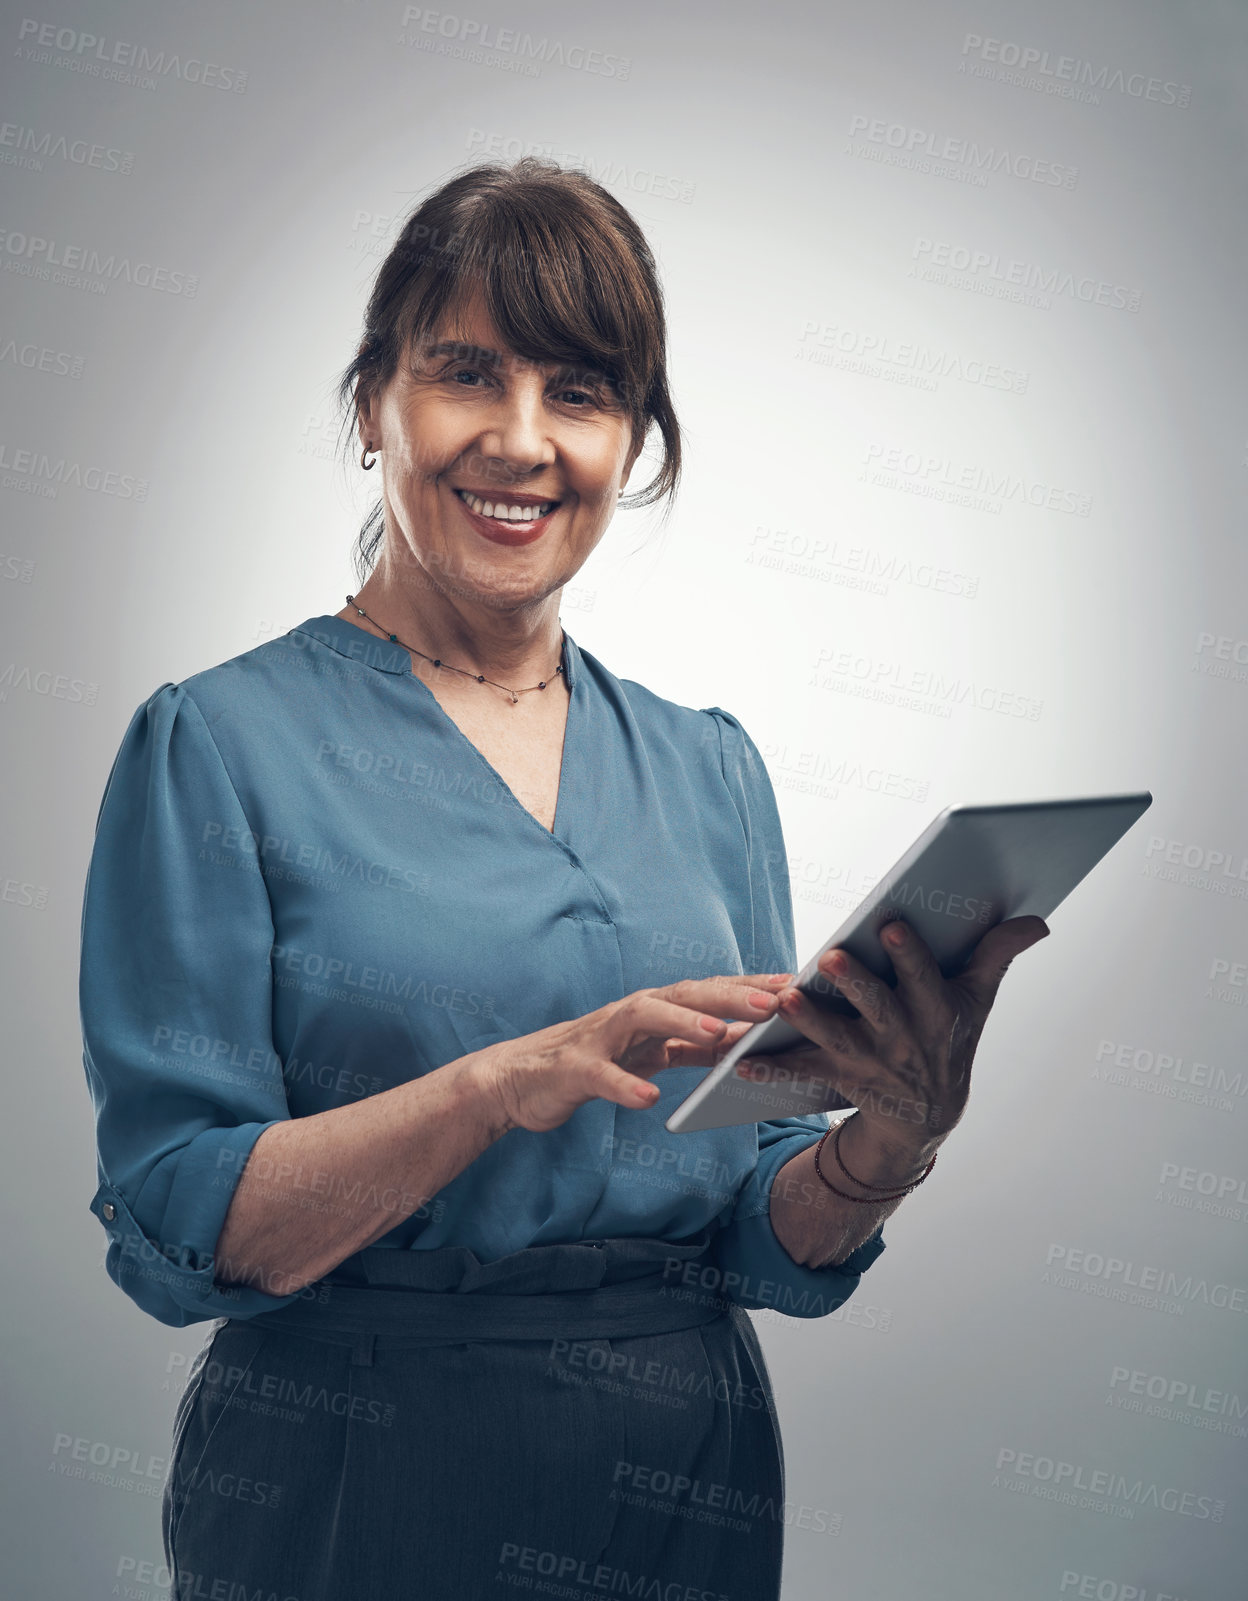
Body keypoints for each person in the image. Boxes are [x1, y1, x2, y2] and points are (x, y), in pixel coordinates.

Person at [78, 158, 1048, 1601]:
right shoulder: (217, 747)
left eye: (581, 391)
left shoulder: (709, 765)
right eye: (467, 374)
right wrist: (494, 1085)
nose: (522, 442)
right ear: (373, 408)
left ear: (633, 443)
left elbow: (749, 1223)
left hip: (690, 1482)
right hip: (362, 1477)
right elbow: (176, 1218)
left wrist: (888, 1143)